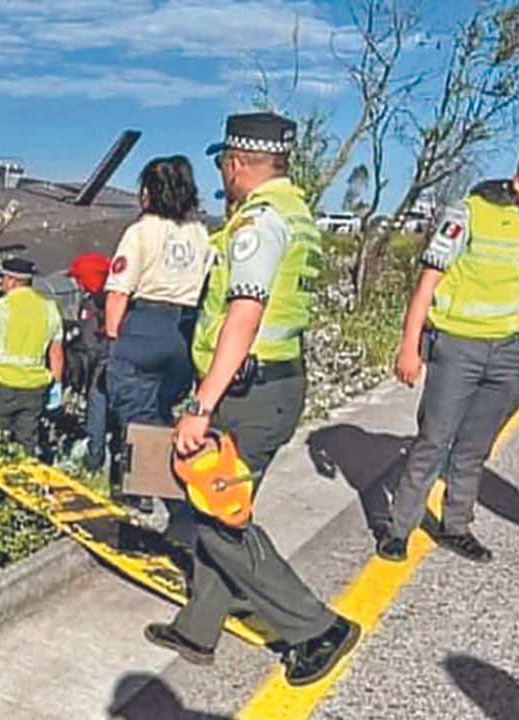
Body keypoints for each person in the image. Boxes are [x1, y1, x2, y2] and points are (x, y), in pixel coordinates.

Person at [146, 112, 358, 687]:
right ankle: (198, 626)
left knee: (218, 517)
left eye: (223, 164)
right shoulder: (297, 213)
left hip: (249, 391)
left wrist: (201, 406)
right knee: (216, 507)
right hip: (270, 381)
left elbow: (245, 313)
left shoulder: (259, 223)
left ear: (237, 164)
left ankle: (317, 628)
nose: (222, 174)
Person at [378, 144, 519, 564]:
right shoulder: (470, 212)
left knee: (475, 446)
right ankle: (399, 529)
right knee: (434, 439)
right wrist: (409, 345)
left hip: (511, 354)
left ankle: (456, 525)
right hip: (458, 347)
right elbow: (428, 281)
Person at [103, 157, 212, 541]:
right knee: (162, 410)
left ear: (148, 193)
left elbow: (118, 293)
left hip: (145, 324)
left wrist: (113, 342)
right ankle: (173, 484)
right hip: (184, 330)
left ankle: (144, 496)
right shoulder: (200, 233)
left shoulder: (141, 232)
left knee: (135, 412)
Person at [0, 257, 65, 455]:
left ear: (12, 280)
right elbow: (56, 354)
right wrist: (57, 385)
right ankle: (22, 483)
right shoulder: (49, 309)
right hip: (34, 390)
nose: (2, 283)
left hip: (1, 386)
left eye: (3, 278)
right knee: (26, 445)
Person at [64, 252, 112, 472]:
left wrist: (79, 378)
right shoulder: (118, 296)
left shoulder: (92, 303)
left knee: (97, 408)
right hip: (121, 363)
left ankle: (94, 461)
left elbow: (89, 343)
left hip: (100, 367)